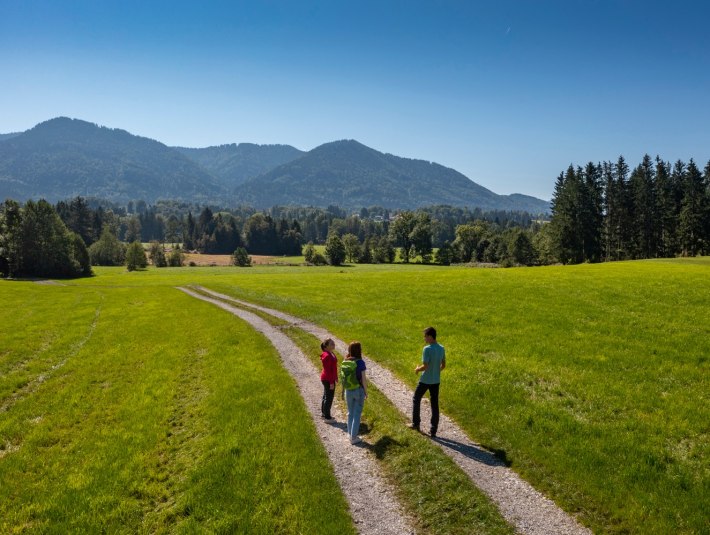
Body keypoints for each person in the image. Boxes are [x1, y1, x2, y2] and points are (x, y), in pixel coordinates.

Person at [410, 326, 445, 438]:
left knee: (416, 398)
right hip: (436, 381)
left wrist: (417, 369)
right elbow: (443, 365)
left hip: (425, 380)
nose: (424, 339)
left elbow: (425, 366)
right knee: (434, 404)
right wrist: (436, 370)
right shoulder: (441, 348)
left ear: (430, 336)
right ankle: (433, 431)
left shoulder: (427, 349)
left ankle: (416, 424)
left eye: (425, 336)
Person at [340, 341, 367, 444]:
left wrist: (342, 392)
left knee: (350, 413)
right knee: (357, 413)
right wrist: (366, 392)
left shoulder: (345, 362)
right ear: (359, 350)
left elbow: (343, 379)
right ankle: (354, 438)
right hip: (358, 390)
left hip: (348, 390)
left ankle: (349, 434)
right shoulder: (360, 362)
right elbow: (363, 379)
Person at [320, 338, 338, 422]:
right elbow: (328, 370)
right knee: (329, 397)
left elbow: (333, 368)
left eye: (333, 343)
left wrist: (336, 377)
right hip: (328, 379)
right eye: (331, 344)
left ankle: (324, 414)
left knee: (326, 396)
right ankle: (327, 417)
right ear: (326, 346)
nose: (333, 344)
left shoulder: (331, 353)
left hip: (328, 378)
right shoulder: (327, 356)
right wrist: (331, 382)